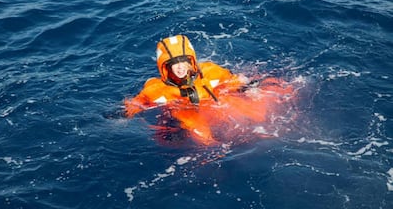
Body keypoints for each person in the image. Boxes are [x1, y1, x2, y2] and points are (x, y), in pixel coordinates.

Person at [124, 34, 294, 145]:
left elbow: (232, 80)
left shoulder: (210, 71)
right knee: (204, 141)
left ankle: (263, 134)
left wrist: (248, 88)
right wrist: (123, 115)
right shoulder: (157, 89)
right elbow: (138, 102)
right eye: (174, 64)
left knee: (263, 108)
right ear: (164, 67)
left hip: (216, 104)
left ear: (192, 61)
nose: (180, 68)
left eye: (184, 62)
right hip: (187, 113)